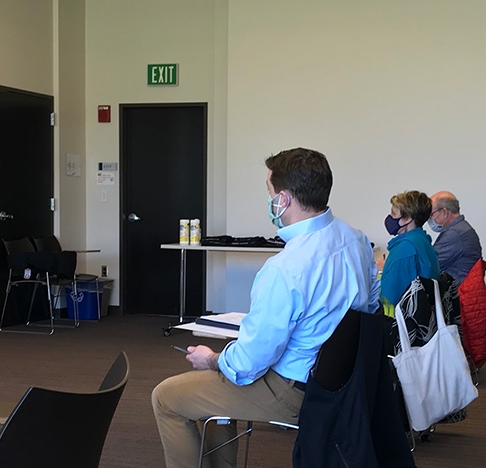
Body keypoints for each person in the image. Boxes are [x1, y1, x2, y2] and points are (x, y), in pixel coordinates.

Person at [151, 148, 379, 468]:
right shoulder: (357, 240)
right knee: (221, 387)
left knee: (166, 398)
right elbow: (369, 309)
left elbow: (247, 366)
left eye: (270, 193)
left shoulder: (284, 268)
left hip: (295, 391)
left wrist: (213, 359)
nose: (270, 200)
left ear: (282, 200)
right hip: (346, 382)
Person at [379, 191, 439, 317]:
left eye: (393, 213)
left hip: (401, 325)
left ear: (407, 219)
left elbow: (389, 298)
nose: (390, 217)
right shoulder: (423, 241)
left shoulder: (404, 250)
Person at [429, 191, 482, 285]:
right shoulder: (462, 228)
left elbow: (430, 265)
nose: (429, 219)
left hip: (458, 295)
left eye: (431, 214)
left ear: (444, 212)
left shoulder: (454, 234)